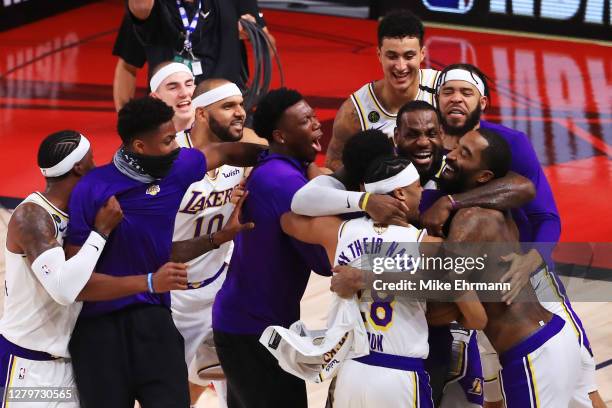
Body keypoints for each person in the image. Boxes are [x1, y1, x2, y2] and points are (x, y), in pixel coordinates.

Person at [64, 96, 264, 408]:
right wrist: (147, 281)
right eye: (169, 140)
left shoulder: (178, 167)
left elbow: (226, 152)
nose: (176, 146)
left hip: (154, 318)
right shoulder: (94, 188)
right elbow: (76, 283)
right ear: (140, 146)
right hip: (99, 330)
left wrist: (281, 160)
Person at [423, 63, 604, 408]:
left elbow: (546, 215)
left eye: (466, 92)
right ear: (436, 100)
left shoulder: (510, 143)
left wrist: (532, 259)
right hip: (480, 291)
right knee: (496, 391)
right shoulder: (426, 150)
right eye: (448, 92)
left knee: (582, 391)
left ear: (483, 102)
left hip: (528, 280)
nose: (456, 99)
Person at [281, 146, 488, 408]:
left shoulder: (338, 232)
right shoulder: (431, 246)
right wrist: (444, 313)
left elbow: (289, 219)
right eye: (416, 187)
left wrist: (360, 200)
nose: (422, 192)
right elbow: (477, 318)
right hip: (400, 376)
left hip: (351, 374)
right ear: (400, 193)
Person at [0, 130, 188, 406]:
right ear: (78, 166)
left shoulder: (82, 212)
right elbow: (64, 290)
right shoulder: (34, 216)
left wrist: (214, 240)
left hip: (67, 364)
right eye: (91, 158)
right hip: (28, 364)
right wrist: (100, 233)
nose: (96, 166)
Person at [212, 88, 330, 408]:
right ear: (280, 134)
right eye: (305, 121)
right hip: (255, 331)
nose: (317, 125)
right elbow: (323, 260)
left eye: (314, 116)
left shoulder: (275, 166)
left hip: (245, 323)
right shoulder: (283, 183)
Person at [170, 78, 260, 407]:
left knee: (233, 387)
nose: (240, 113)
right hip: (171, 296)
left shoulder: (243, 154)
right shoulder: (170, 157)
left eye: (240, 105)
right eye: (228, 106)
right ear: (202, 113)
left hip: (220, 290)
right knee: (170, 393)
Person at [326, 9, 440, 170]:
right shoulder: (354, 112)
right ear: (379, 55)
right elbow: (332, 163)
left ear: (422, 54)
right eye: (392, 56)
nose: (401, 67)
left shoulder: (443, 88)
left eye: (409, 56)